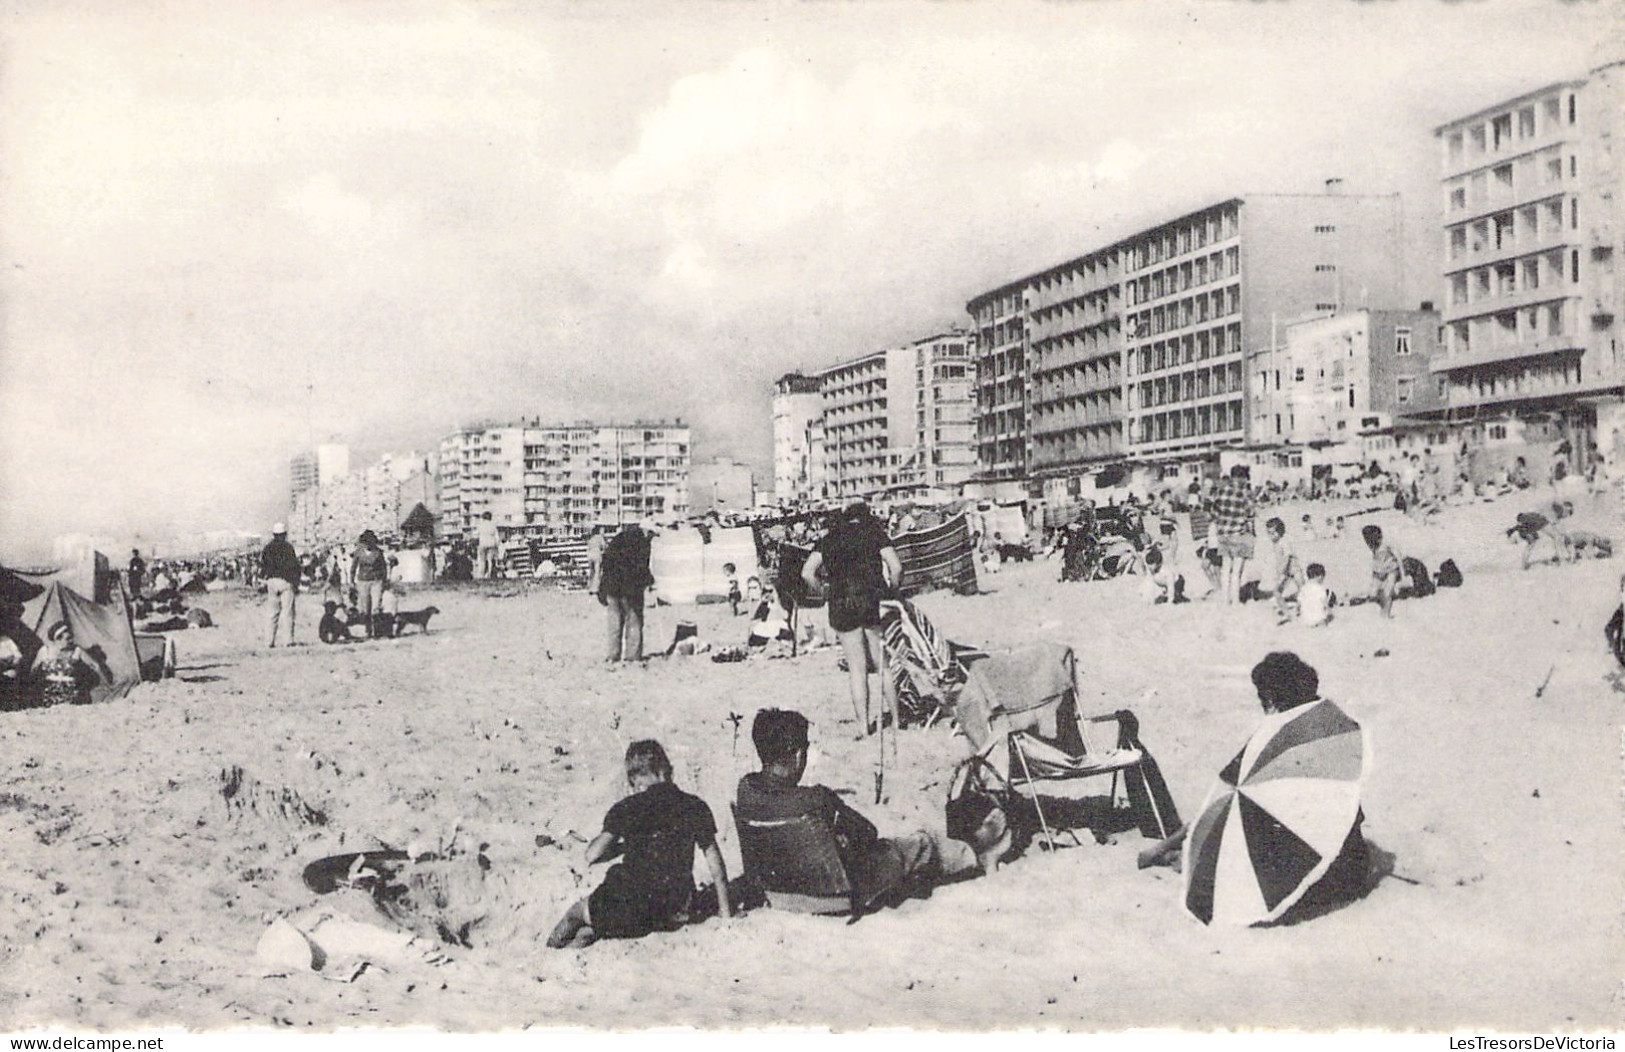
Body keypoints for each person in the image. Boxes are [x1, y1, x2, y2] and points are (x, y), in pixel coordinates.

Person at [1137, 653, 1369, 911]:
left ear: (1270, 699)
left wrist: (1163, 846)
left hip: (1309, 885)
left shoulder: (1273, 742)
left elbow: (1223, 799)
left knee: (1241, 813)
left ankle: (1171, 852)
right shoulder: (1333, 722)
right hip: (1352, 871)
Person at [736, 709, 937, 910]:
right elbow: (868, 832)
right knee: (918, 846)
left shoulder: (746, 790)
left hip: (778, 893)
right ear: (798, 754)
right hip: (835, 895)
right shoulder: (816, 798)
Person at [547, 740, 731, 949]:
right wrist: (726, 916)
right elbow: (716, 867)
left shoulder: (627, 808)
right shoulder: (695, 806)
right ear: (666, 770)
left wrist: (626, 843)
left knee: (576, 913)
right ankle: (574, 947)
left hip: (630, 907)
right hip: (676, 910)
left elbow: (593, 855)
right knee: (589, 931)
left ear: (634, 779)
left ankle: (547, 952)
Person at [800, 502, 903, 734]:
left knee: (857, 669)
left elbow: (807, 572)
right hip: (873, 601)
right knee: (883, 665)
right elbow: (896, 568)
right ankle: (896, 720)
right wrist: (892, 592)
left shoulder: (829, 539)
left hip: (841, 602)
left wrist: (823, 592)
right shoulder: (876, 535)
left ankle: (863, 726)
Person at [599, 521, 655, 663]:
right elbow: (641, 567)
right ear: (647, 531)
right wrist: (649, 581)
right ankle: (632, 656)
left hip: (612, 586)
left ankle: (613, 655)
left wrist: (603, 587)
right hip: (630, 589)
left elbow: (606, 561)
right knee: (634, 621)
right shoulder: (642, 542)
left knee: (614, 622)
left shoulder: (618, 538)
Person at [1210, 465, 1256, 605]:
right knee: (1236, 572)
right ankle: (1235, 601)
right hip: (1239, 534)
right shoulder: (1245, 493)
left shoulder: (1221, 491)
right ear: (1242, 478)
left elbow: (1214, 514)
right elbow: (1250, 514)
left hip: (1223, 534)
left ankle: (1225, 600)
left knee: (1225, 569)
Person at [30, 621, 102, 707]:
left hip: (72, 697)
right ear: (57, 639)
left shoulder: (77, 650)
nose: (71, 641)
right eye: (67, 638)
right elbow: (33, 671)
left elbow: (95, 666)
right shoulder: (45, 651)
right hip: (48, 696)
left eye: (71, 638)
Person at [261, 523, 301, 647]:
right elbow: (294, 566)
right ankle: (288, 640)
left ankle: (269, 641)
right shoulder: (288, 547)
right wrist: (296, 583)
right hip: (285, 581)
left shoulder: (267, 548)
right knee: (287, 612)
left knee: (272, 613)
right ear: (284, 534)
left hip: (272, 582)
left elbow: (263, 566)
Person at [350, 530, 390, 639]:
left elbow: (384, 568)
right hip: (363, 581)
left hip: (376, 581)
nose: (368, 544)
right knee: (366, 608)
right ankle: (368, 630)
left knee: (376, 607)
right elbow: (353, 568)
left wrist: (384, 581)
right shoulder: (358, 552)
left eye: (370, 542)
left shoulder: (378, 552)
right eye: (366, 542)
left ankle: (377, 631)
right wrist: (351, 581)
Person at [1263, 517, 1304, 618]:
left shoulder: (1284, 541)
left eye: (1273, 533)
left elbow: (1286, 558)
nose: (1271, 536)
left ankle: (1300, 608)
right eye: (1269, 533)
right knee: (1277, 592)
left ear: (1280, 531)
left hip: (1294, 569)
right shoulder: (1276, 543)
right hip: (1285, 571)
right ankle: (1286, 612)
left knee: (1303, 590)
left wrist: (1280, 573)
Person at [1362, 524, 1401, 619]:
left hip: (1391, 571)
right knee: (1373, 593)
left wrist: (1401, 572)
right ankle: (1392, 593)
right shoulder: (1372, 546)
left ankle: (1386, 613)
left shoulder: (1385, 545)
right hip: (1379, 572)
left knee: (1387, 592)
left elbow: (1398, 555)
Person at [1299, 563, 1334, 627]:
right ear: (1320, 576)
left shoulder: (1303, 588)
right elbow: (1325, 604)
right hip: (1318, 619)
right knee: (1330, 616)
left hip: (1306, 620)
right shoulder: (1320, 588)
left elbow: (1300, 602)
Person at [476, 512, 501, 580]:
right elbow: (497, 537)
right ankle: (489, 574)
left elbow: (476, 534)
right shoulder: (493, 525)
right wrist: (497, 545)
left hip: (482, 543)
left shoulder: (480, 525)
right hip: (491, 544)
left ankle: (482, 574)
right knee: (490, 559)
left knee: (482, 560)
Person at [584, 526, 607, 595]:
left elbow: (588, 547)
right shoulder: (600, 537)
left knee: (591, 572)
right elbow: (604, 546)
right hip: (597, 554)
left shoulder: (591, 538)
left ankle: (590, 587)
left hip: (590, 554)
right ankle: (596, 589)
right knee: (597, 572)